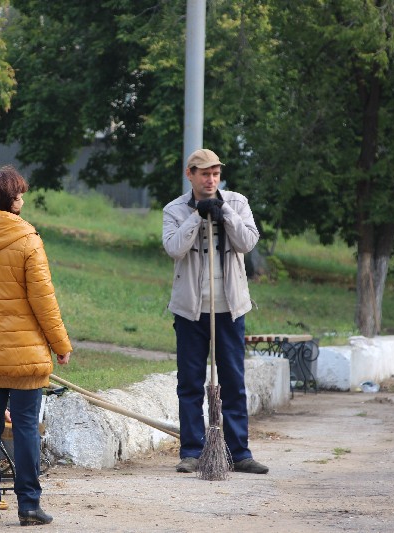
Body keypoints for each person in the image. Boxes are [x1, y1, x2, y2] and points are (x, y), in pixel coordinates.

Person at [0, 166, 72, 526]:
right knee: (25, 427)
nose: (22, 199)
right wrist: (60, 343)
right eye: (19, 194)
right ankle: (29, 505)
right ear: (10, 201)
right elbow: (44, 300)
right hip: (26, 354)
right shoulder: (27, 240)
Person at [162, 148, 269, 475]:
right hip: (191, 309)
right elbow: (174, 248)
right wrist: (197, 216)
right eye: (205, 174)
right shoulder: (174, 209)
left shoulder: (237, 202)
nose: (211, 180)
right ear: (190, 174)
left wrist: (225, 214)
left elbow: (248, 242)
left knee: (233, 380)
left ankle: (239, 452)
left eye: (215, 174)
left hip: (230, 307)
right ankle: (192, 452)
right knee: (190, 382)